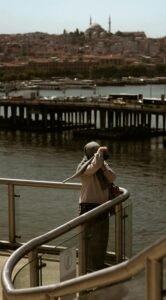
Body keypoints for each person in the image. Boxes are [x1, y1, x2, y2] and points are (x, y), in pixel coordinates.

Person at [63, 141, 116, 273]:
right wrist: (99, 157)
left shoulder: (102, 165)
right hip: (88, 206)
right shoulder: (83, 167)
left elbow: (112, 177)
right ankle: (87, 267)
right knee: (88, 239)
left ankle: (98, 265)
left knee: (102, 239)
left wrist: (103, 165)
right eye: (97, 151)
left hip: (103, 206)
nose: (101, 155)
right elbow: (93, 167)